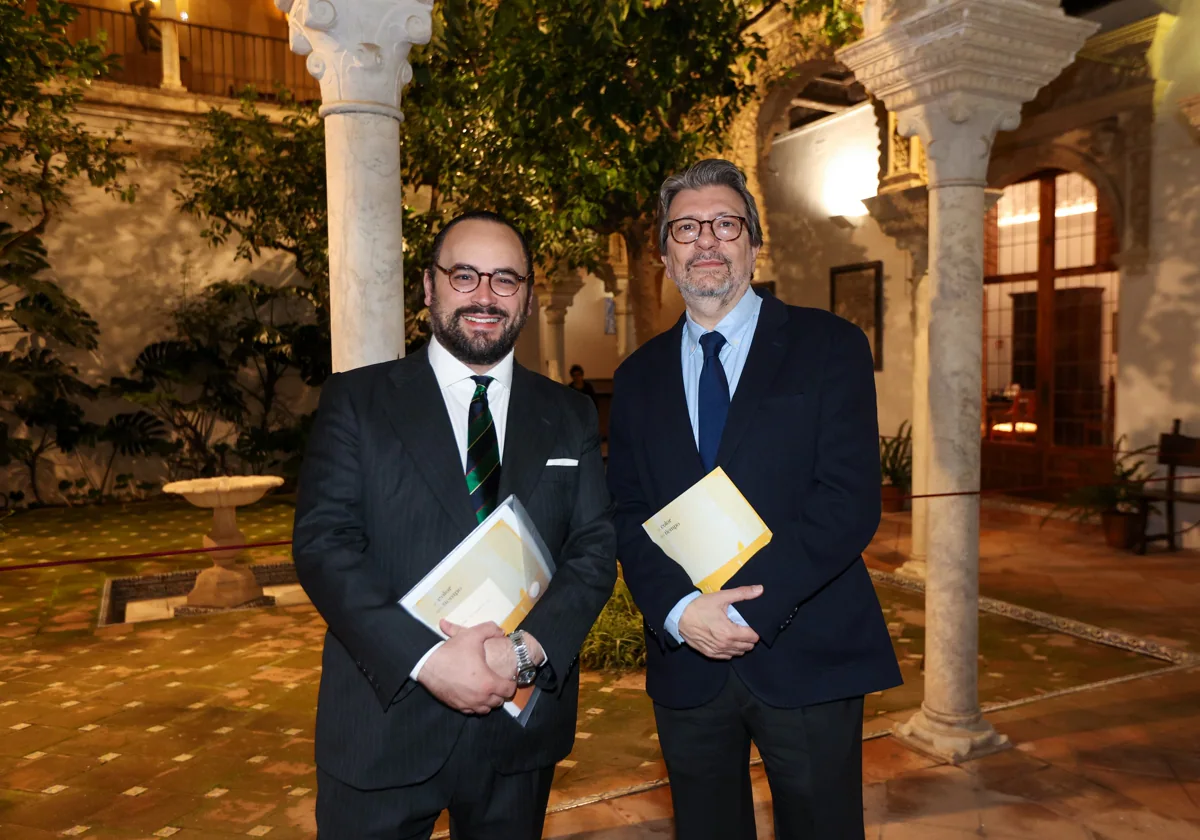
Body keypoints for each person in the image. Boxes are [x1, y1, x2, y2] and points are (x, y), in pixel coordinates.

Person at [293, 210, 617, 840]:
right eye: (464, 275)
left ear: (525, 295)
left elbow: (594, 550)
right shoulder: (356, 402)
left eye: (505, 279)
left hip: (517, 729)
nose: (485, 296)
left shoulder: (568, 413)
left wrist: (525, 652)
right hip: (385, 722)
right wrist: (427, 660)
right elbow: (324, 547)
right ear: (428, 287)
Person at [606, 159, 901, 840]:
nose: (706, 240)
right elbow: (625, 511)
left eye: (725, 224)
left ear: (754, 242)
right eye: (686, 227)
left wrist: (749, 608)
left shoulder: (829, 346)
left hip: (807, 644)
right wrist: (681, 612)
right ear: (663, 251)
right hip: (687, 658)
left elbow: (848, 500)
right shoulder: (637, 376)